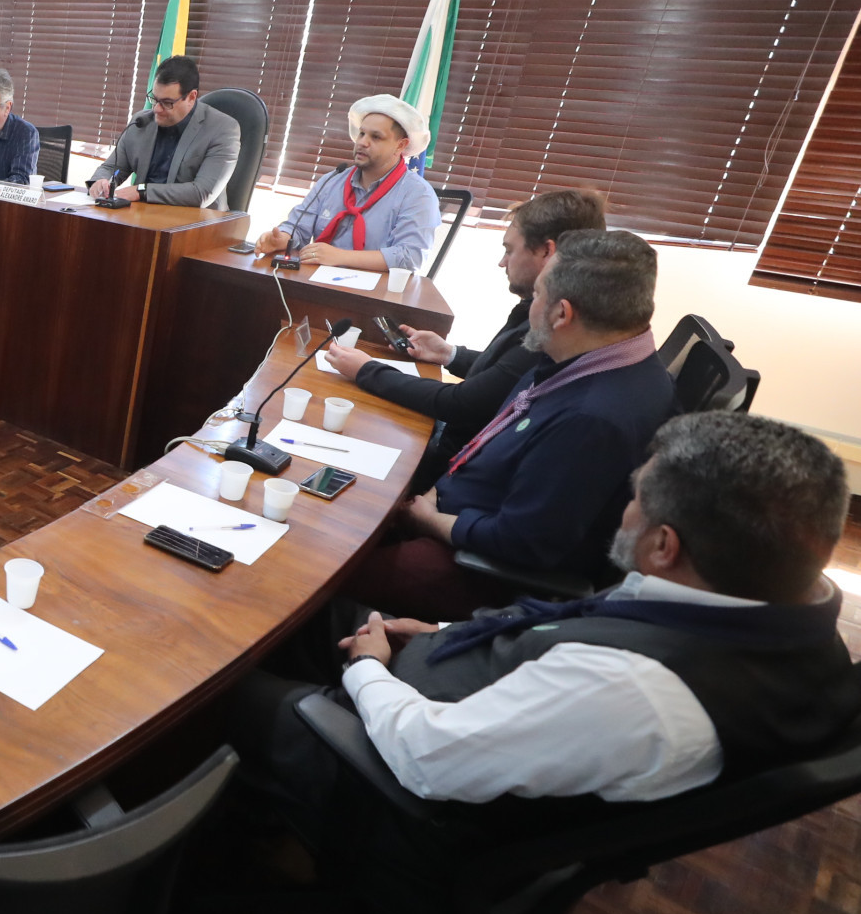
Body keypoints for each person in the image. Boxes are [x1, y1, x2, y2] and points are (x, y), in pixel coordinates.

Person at [229, 412, 859, 901]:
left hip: (399, 792)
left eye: (637, 496)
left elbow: (427, 758)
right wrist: (441, 632)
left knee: (208, 682)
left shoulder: (635, 691)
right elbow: (583, 635)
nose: (625, 506)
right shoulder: (778, 611)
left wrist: (367, 670)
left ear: (666, 545)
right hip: (472, 692)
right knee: (292, 609)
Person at [346, 229, 675, 621]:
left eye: (537, 295)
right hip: (455, 510)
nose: (529, 307)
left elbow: (523, 543)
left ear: (562, 314)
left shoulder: (591, 419)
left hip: (478, 566)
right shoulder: (593, 356)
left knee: (325, 567)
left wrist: (430, 520)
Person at [324, 188, 607, 490]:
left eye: (510, 250)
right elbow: (506, 372)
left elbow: (463, 405)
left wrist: (367, 371)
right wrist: (450, 354)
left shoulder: (554, 324)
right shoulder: (545, 310)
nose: (502, 262)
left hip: (455, 472)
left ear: (546, 252)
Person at [255, 95, 441, 271]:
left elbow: (409, 257)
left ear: (400, 145)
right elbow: (298, 227)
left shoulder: (418, 194)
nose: (362, 142)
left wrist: (340, 257)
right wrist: (281, 239)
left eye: (375, 137)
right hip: (315, 283)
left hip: (372, 296)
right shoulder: (333, 179)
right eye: (361, 134)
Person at [87, 55, 242, 209]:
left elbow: (202, 193)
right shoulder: (141, 122)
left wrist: (141, 191)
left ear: (191, 97)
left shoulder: (223, 129)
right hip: (142, 217)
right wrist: (100, 182)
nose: (156, 109)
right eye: (155, 99)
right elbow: (111, 168)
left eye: (167, 103)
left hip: (197, 224)